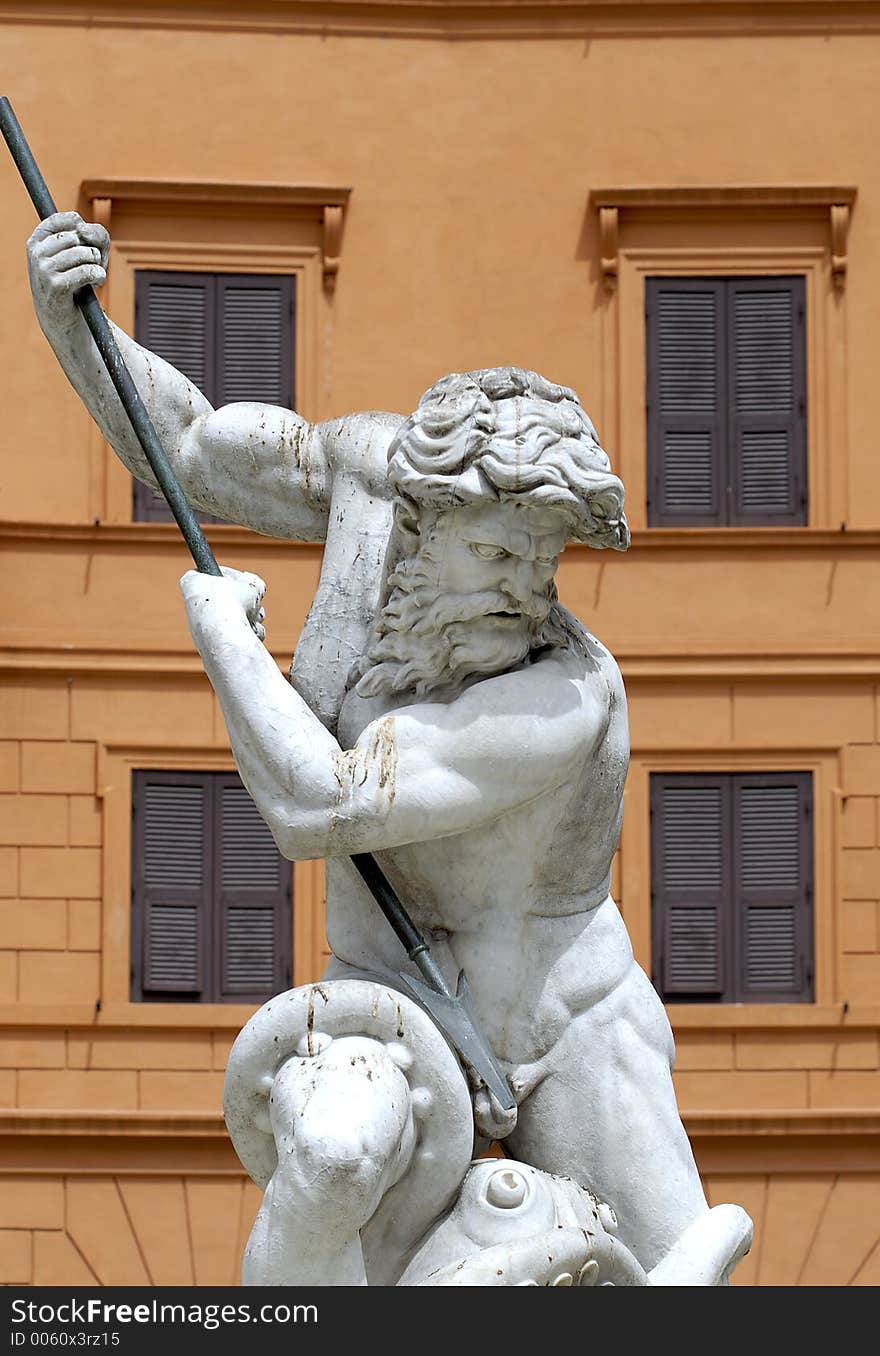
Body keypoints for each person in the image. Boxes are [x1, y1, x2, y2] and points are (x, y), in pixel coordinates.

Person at [27, 211, 720, 1273]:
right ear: (422, 513)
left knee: (682, 1290)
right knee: (332, 1165)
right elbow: (186, 445)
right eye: (497, 553)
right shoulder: (364, 474)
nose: (524, 590)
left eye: (543, 563)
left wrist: (226, 641)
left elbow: (321, 807)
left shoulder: (567, 695)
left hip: (567, 1021)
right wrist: (71, 320)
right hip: (394, 1000)